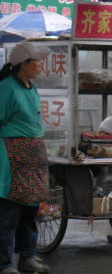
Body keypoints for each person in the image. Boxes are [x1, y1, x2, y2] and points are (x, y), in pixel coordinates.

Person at [0, 42, 51, 274]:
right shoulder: (6, 88)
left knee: (31, 210)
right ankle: (4, 263)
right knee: (9, 212)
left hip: (33, 154)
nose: (41, 65)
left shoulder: (32, 88)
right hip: (11, 154)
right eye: (37, 61)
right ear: (23, 64)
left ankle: (27, 257)